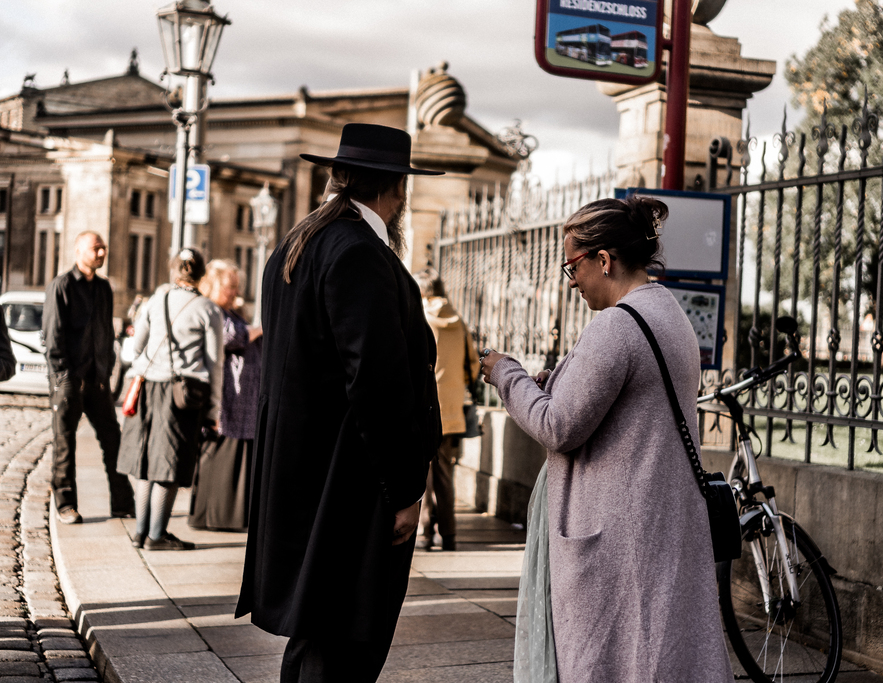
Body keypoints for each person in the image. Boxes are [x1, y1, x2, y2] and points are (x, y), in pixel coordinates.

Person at [480, 196, 732, 682]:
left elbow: (558, 427)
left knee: (620, 662)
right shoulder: (668, 311)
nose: (570, 280)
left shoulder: (618, 326)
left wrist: (506, 374)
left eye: (572, 265)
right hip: (657, 521)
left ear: (604, 259)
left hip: (620, 536)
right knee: (659, 656)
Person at [236, 123, 444, 683]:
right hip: (350, 482)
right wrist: (403, 488)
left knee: (318, 633)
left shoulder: (300, 242)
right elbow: (375, 382)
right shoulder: (357, 251)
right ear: (395, 188)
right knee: (348, 638)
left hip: (308, 471)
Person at [117, 248, 223, 551]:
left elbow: (136, 346)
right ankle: (157, 535)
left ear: (173, 270)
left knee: (144, 460)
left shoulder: (156, 299)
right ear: (201, 274)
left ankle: (140, 532)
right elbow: (214, 365)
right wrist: (214, 410)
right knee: (169, 464)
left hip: (146, 388)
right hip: (182, 395)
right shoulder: (207, 309)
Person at [43, 231, 135, 524]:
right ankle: (65, 503)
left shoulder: (104, 288)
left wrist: (106, 370)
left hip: (97, 380)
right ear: (79, 249)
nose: (101, 253)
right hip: (69, 380)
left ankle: (123, 503)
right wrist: (63, 377)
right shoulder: (62, 285)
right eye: (96, 248)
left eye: (103, 248)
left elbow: (106, 332)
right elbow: (52, 336)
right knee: (64, 443)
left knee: (113, 440)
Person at [188, 260, 261, 531]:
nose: (234, 292)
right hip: (226, 398)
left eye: (236, 287)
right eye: (230, 287)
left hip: (243, 400)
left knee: (239, 457)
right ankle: (213, 515)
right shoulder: (212, 311)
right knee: (221, 453)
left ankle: (231, 515)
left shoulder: (232, 311)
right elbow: (229, 338)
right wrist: (257, 330)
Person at [413, 268, 479, 552]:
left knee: (422, 477)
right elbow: (474, 366)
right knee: (445, 476)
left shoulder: (421, 320)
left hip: (424, 410)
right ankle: (450, 535)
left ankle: (426, 533)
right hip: (452, 413)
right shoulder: (460, 322)